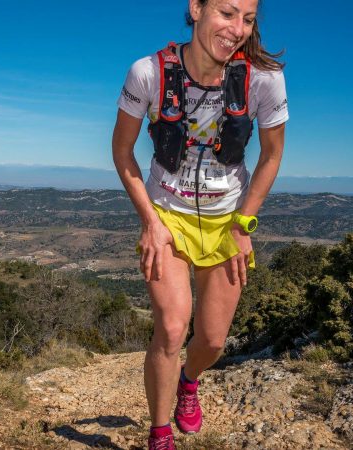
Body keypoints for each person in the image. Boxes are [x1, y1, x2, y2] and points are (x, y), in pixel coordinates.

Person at [111, 0, 288, 448]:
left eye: (248, 19)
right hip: (167, 213)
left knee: (211, 341)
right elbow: (123, 151)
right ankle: (159, 432)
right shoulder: (148, 73)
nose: (238, 29)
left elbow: (270, 156)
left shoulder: (263, 80)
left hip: (226, 218)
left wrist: (243, 225)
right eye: (228, 13)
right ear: (195, 8)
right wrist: (150, 222)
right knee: (172, 328)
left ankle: (189, 381)